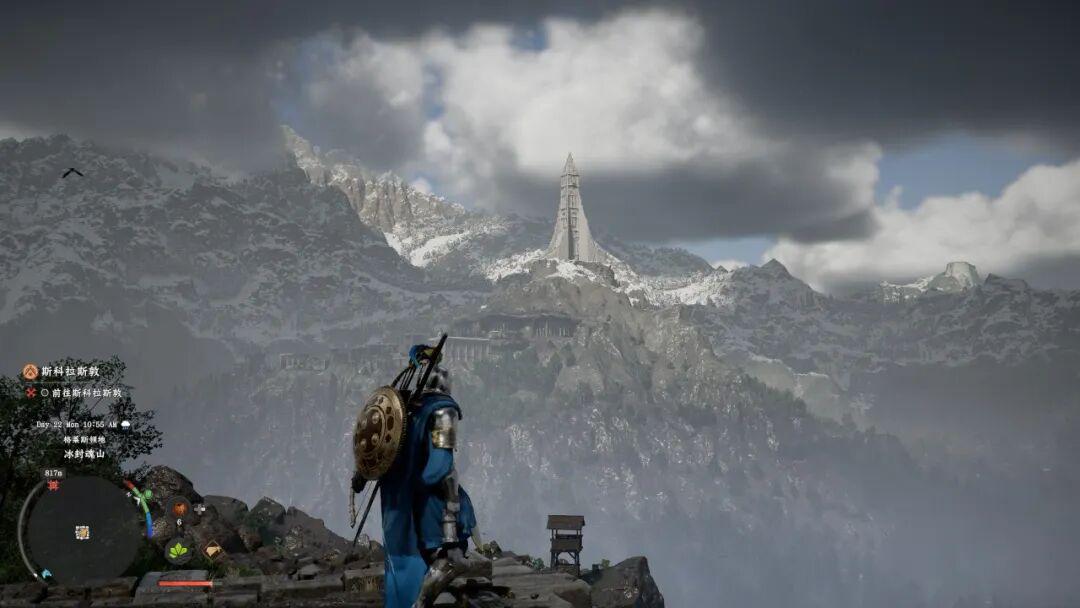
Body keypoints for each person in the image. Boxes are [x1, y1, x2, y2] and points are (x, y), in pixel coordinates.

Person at [352, 347, 477, 608]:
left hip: (404, 503)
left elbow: (381, 448)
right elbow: (442, 465)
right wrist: (450, 507)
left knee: (415, 559)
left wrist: (362, 475)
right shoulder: (444, 413)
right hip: (432, 502)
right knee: (450, 559)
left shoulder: (406, 410)